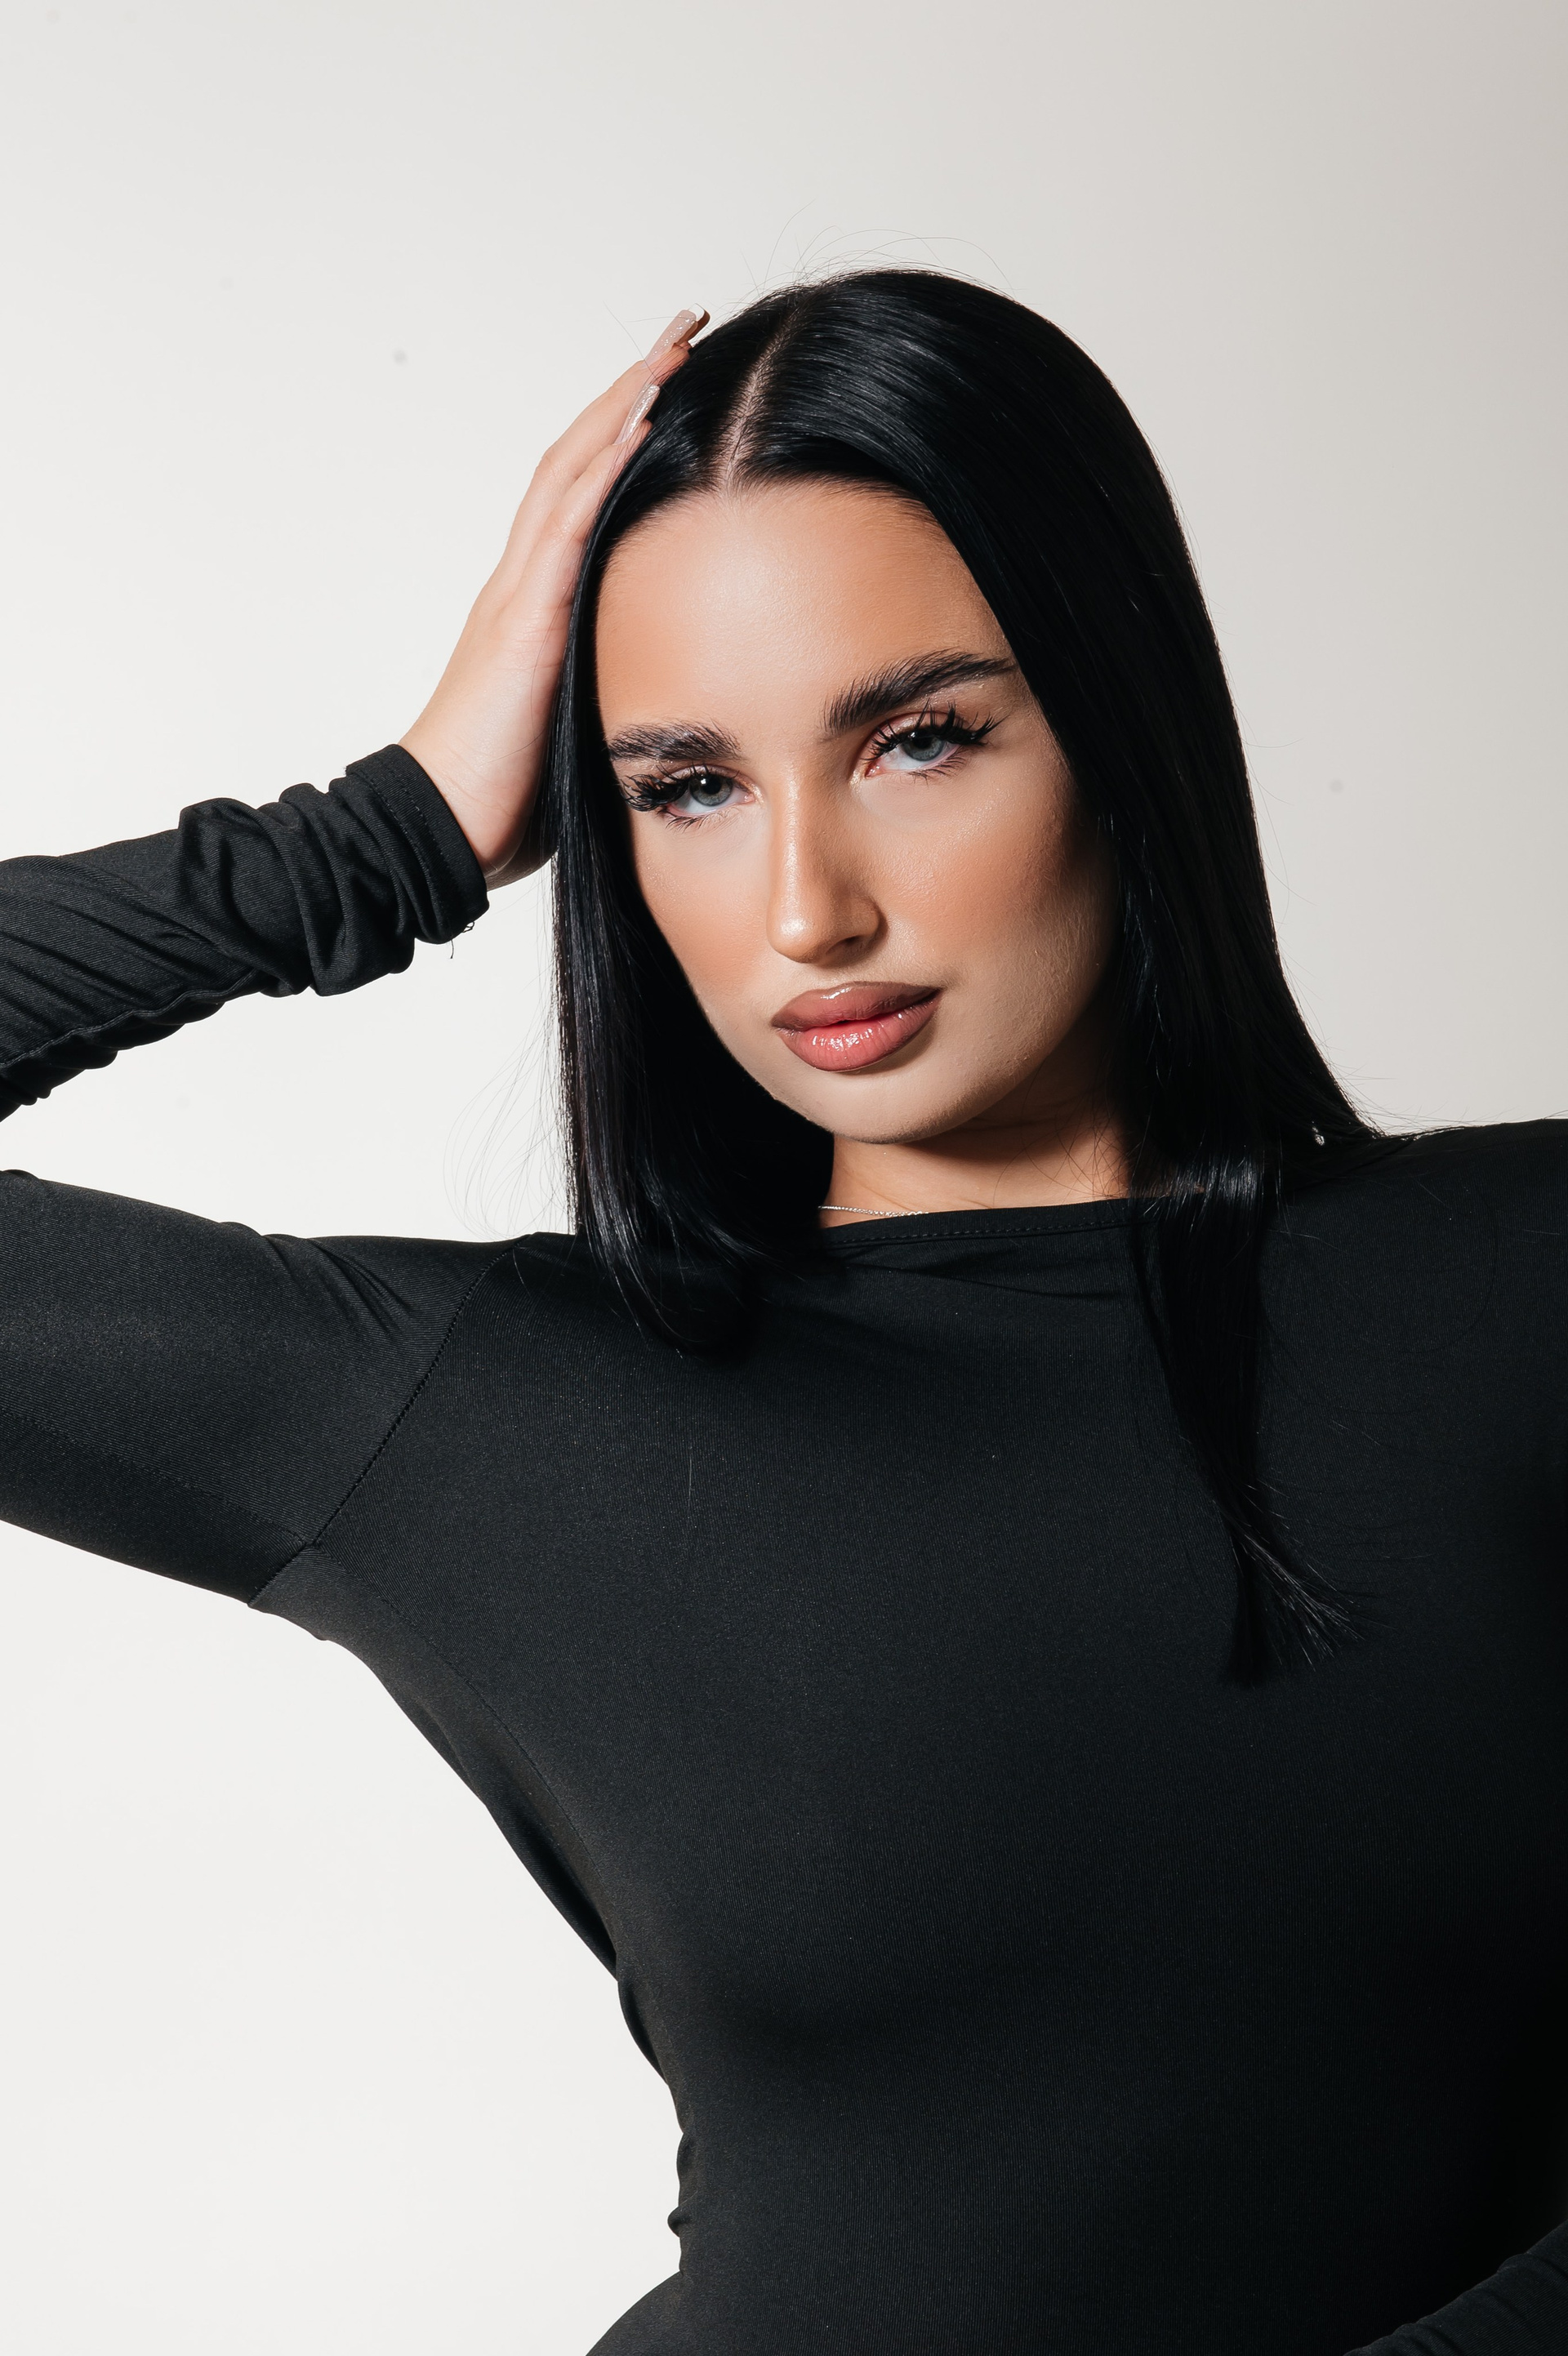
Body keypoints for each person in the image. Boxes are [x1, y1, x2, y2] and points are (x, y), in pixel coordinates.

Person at [2, 269, 1565, 2356]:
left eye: (919, 740)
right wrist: (380, 837)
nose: (810, 905)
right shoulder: (493, 1412)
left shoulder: (1524, 1277)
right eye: (689, 786)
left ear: (1122, 725)